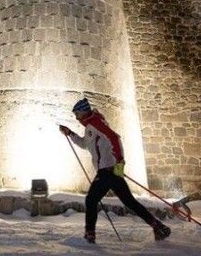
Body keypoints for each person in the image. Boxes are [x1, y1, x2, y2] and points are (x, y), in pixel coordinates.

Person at [59, 97, 171, 244]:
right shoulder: (90, 127)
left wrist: (119, 161)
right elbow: (85, 144)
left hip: (107, 170)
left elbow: (114, 137)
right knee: (129, 202)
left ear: (84, 112)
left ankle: (90, 234)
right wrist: (70, 133)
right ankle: (158, 226)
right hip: (109, 171)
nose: (76, 117)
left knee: (91, 199)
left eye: (77, 114)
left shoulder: (96, 122)